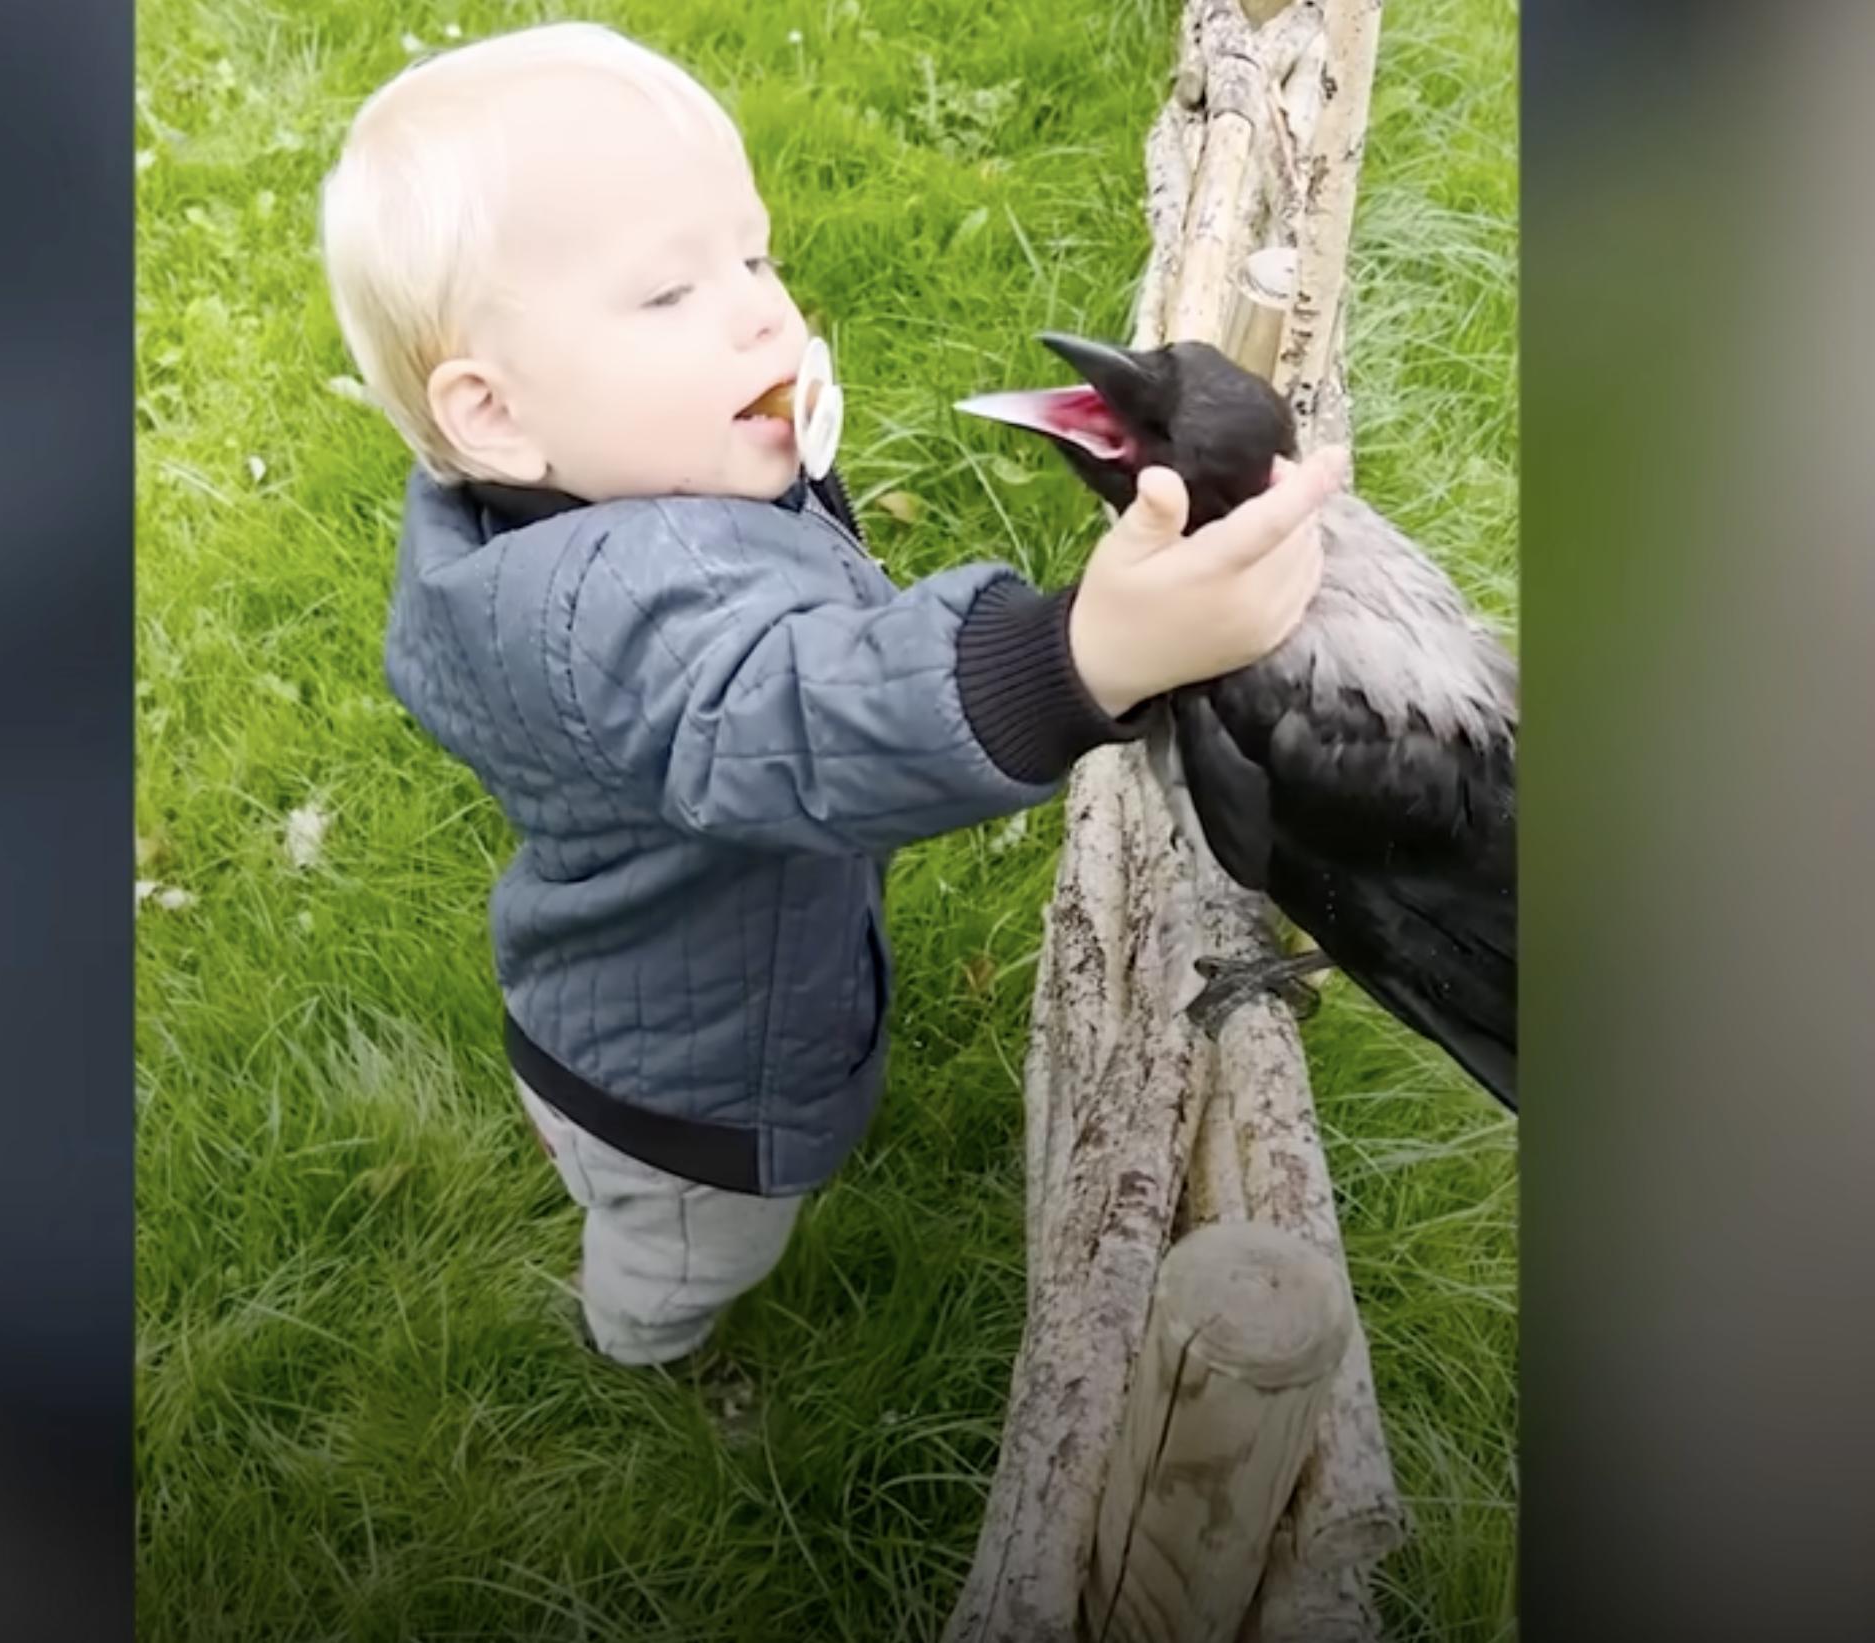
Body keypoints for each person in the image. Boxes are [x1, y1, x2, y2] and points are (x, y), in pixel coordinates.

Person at [319, 21, 1345, 1368]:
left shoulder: (549, 506)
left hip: (612, 993)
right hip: (690, 1107)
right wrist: (1082, 654)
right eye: (667, 295)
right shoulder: (620, 613)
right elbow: (803, 720)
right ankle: (643, 1337)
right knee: (692, 1254)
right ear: (496, 415)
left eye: (753, 259)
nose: (762, 311)